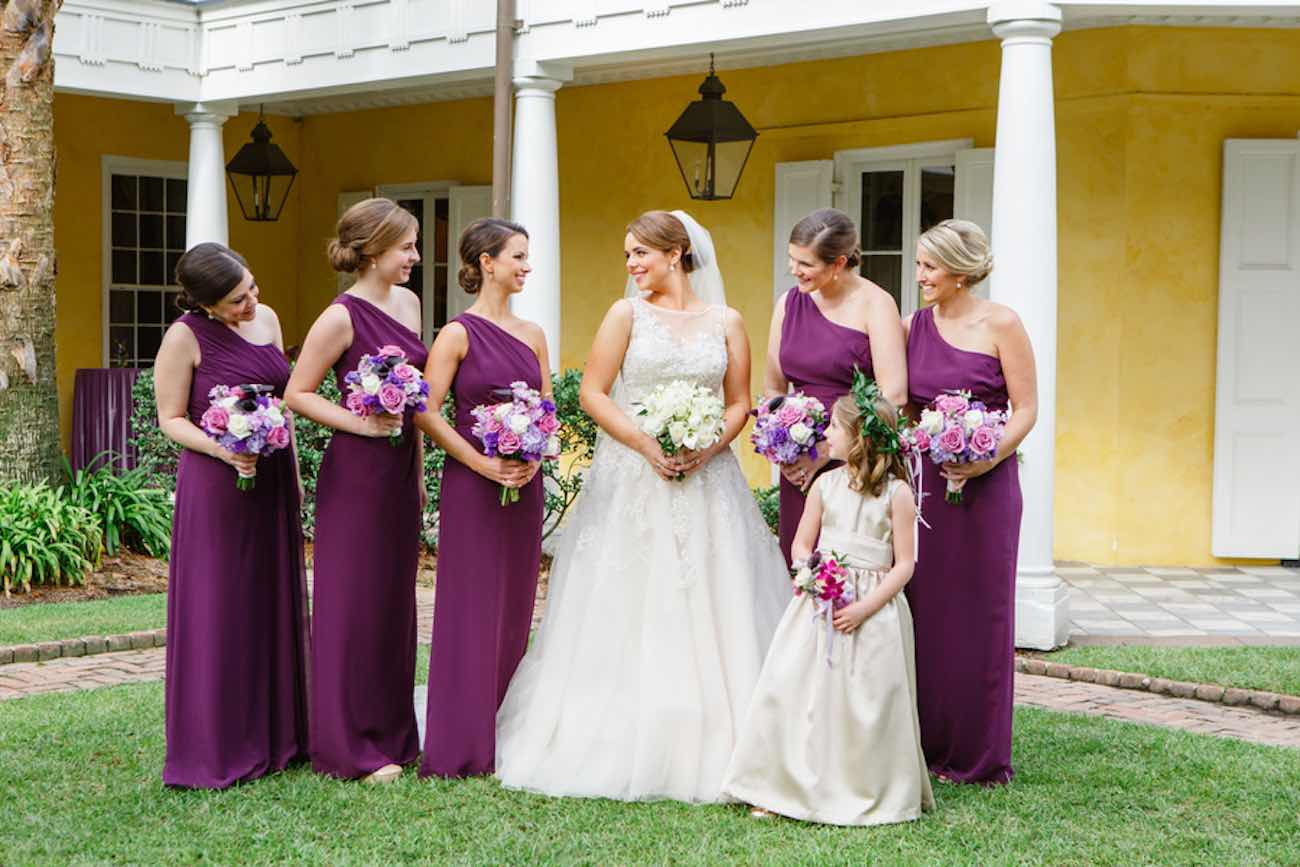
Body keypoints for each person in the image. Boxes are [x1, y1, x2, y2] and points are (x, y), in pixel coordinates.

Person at [494, 210, 789, 803]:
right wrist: (647, 444)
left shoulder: (727, 321)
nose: (631, 266)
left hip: (709, 480)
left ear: (675, 253)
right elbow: (592, 392)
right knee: (630, 597)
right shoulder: (625, 314)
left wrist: (705, 446)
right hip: (634, 476)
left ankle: (727, 739)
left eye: (640, 255)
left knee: (715, 593)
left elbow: (738, 402)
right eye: (628, 255)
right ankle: (620, 731)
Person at [723, 385, 933, 825]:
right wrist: (812, 572)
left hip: (873, 612)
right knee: (798, 690)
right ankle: (782, 782)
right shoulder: (825, 485)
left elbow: (904, 565)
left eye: (835, 426)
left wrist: (864, 607)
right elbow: (801, 542)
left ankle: (866, 786)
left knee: (867, 701)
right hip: (818, 604)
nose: (826, 433)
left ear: (859, 437)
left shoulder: (897, 494)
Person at [154, 242, 309, 789]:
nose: (252, 303)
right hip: (216, 484)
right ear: (206, 305)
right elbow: (170, 418)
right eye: (237, 300)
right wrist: (222, 448)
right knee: (221, 607)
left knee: (271, 600)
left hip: (270, 482)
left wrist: (289, 471)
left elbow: (283, 398)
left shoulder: (266, 317)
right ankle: (218, 742)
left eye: (252, 289)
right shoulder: (184, 337)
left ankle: (280, 736)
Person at [285, 198, 426, 783]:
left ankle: (394, 735)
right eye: (407, 247)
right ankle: (349, 748)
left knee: (393, 603)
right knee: (352, 604)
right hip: (356, 477)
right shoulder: (340, 317)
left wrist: (416, 472)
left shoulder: (412, 305)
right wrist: (361, 422)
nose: (415, 257)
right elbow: (299, 392)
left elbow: (415, 396)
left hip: (399, 473)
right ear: (372, 252)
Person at [903, 218, 1037, 785]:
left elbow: (1027, 408)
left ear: (959, 270)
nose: (919, 276)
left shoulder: (1002, 323)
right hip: (926, 487)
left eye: (929, 266)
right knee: (925, 613)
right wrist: (918, 446)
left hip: (989, 487)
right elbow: (905, 410)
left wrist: (987, 456)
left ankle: (980, 756)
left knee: (981, 617)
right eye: (918, 265)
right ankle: (923, 744)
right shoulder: (912, 326)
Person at [416, 218, 549, 778]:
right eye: (517, 256)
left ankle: (505, 728)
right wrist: (479, 460)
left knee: (516, 602)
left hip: (524, 482)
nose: (526, 266)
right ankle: (459, 738)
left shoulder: (533, 333)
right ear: (486, 262)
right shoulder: (457, 333)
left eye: (527, 256)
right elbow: (425, 408)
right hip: (473, 482)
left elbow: (546, 405)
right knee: (469, 604)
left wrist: (535, 455)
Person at [765, 208, 906, 564]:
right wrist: (782, 450)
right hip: (797, 459)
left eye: (806, 263)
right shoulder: (788, 303)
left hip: (855, 459)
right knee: (801, 560)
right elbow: (773, 388)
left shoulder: (876, 303)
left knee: (846, 566)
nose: (794, 270)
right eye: (792, 259)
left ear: (838, 262)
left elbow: (894, 394)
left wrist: (828, 452)